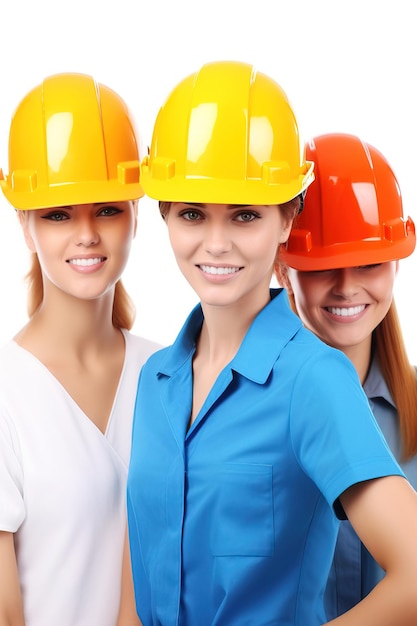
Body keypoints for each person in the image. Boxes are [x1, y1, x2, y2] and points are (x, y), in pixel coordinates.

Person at [126, 60, 417, 626]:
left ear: (287, 221)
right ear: (164, 216)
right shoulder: (154, 380)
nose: (216, 244)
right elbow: (134, 593)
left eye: (244, 215)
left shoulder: (314, 379)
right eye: (192, 213)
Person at [0, 73, 159, 626]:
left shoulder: (172, 372)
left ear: (136, 213)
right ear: (26, 225)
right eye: (58, 213)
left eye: (108, 209)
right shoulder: (5, 394)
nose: (87, 234)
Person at [276, 132, 417, 620]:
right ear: (281, 266)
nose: (346, 287)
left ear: (396, 264)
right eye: (322, 266)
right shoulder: (247, 414)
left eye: (369, 263)